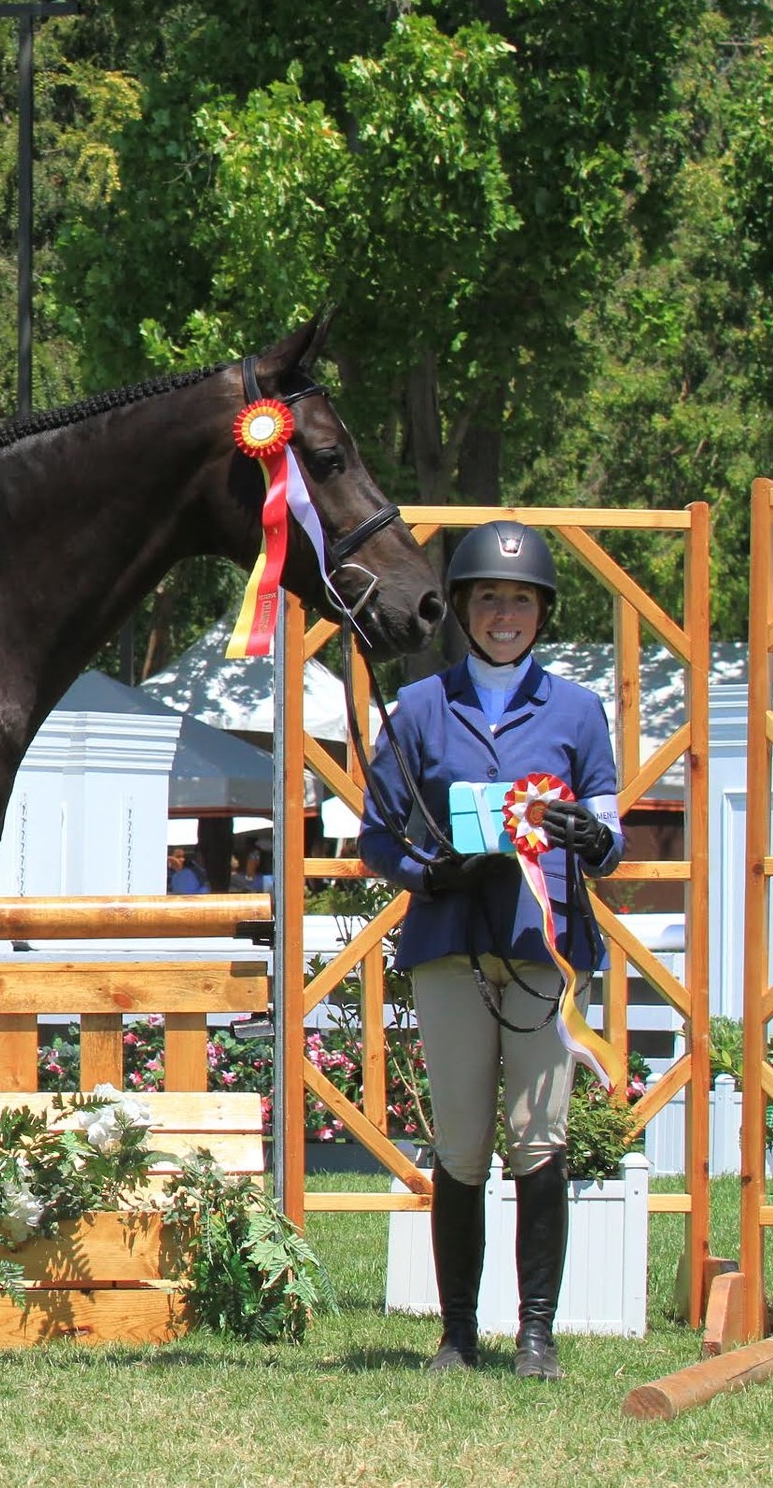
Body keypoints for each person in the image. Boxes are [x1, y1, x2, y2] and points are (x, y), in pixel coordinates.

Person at [359, 520, 624, 1381]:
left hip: (538, 942)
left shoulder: (580, 711)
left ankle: (536, 1334)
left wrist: (590, 837)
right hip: (447, 942)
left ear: (540, 612)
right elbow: (374, 836)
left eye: (518, 599)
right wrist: (421, 873)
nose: (503, 614)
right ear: (462, 610)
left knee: (538, 1134)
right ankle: (457, 1334)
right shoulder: (418, 709)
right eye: (487, 598)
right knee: (463, 1137)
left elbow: (608, 829)